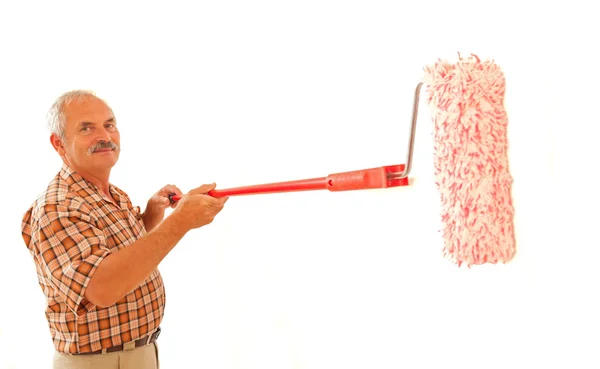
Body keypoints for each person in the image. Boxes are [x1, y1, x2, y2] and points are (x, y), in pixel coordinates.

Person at [20, 90, 228, 368]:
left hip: (139, 353)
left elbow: (121, 252)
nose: (104, 136)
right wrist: (181, 222)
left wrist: (153, 215)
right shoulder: (57, 207)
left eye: (109, 125)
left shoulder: (112, 193)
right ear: (59, 144)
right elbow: (102, 287)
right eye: (86, 128)